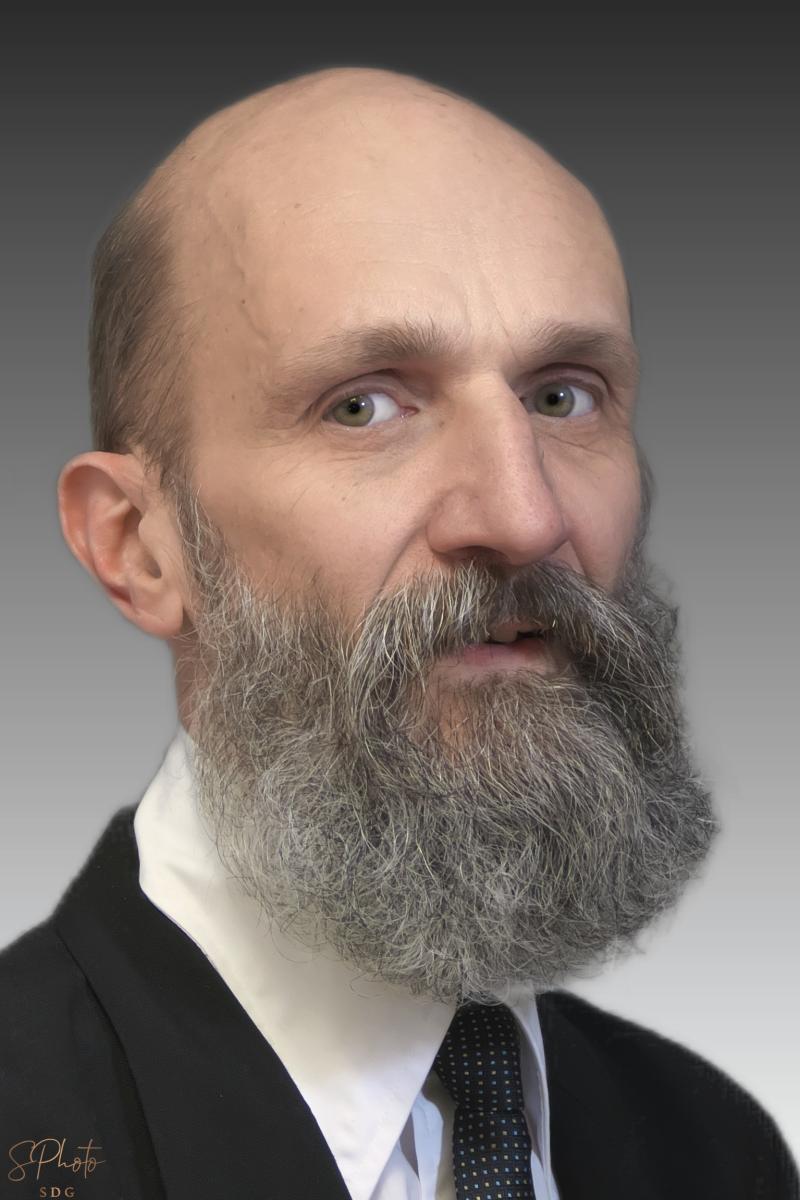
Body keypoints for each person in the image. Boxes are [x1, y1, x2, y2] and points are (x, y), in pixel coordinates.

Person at [1, 65, 796, 1200]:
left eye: (560, 396)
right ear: (138, 545)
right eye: (364, 405)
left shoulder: (716, 1152)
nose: (523, 516)